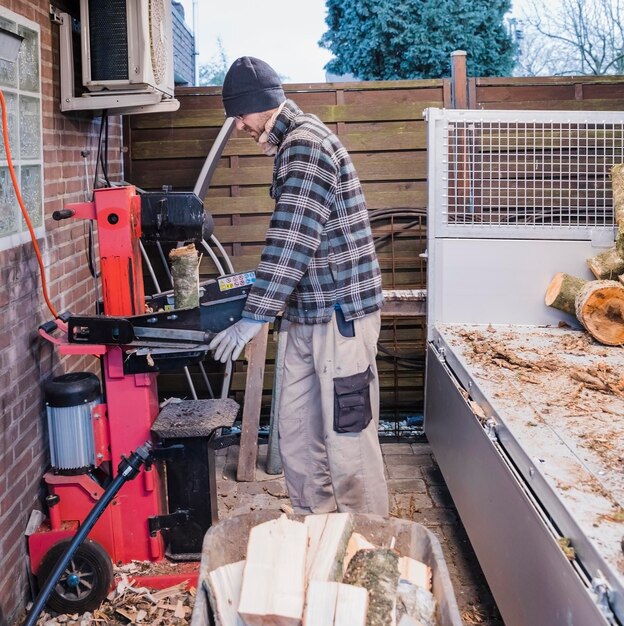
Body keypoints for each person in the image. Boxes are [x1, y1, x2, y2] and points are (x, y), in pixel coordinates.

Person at [209, 56, 389, 516]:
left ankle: (366, 549)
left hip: (340, 318)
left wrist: (254, 317)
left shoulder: (306, 145)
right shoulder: (294, 142)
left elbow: (292, 240)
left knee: (347, 443)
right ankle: (318, 538)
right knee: (297, 436)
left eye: (241, 116)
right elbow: (295, 240)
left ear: (260, 104)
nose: (241, 127)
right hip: (307, 313)